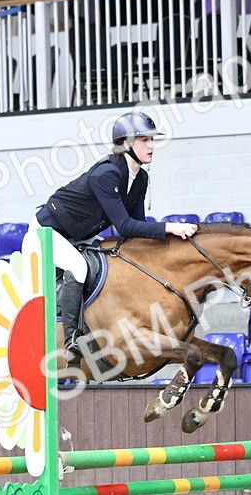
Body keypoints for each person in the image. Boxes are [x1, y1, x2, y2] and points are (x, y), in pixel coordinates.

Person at [36, 110, 198, 360]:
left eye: (152, 140)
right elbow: (124, 226)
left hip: (79, 238)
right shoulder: (106, 174)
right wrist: (169, 227)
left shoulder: (140, 178)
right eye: (144, 140)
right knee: (78, 268)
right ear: (125, 144)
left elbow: (139, 226)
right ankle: (72, 340)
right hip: (48, 233)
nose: (152, 145)